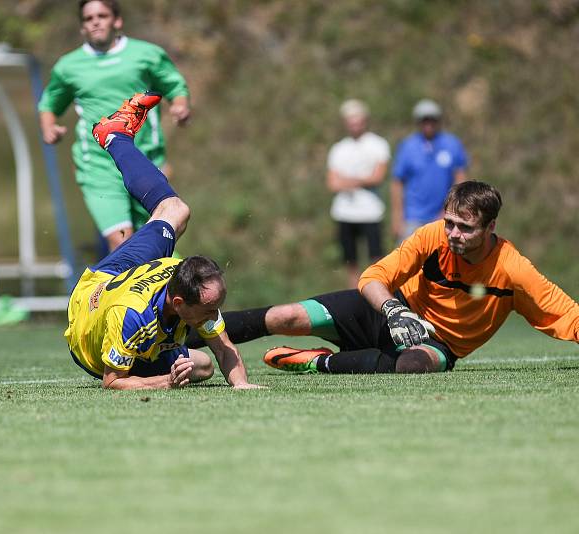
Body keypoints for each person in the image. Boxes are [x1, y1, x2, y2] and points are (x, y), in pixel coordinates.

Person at [186, 181, 579, 374]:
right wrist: (393, 309)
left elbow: (566, 315)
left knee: (410, 366)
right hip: (386, 312)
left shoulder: (513, 269)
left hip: (438, 344)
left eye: (465, 228)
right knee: (283, 316)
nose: (453, 234)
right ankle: (175, 338)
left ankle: (317, 364)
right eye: (450, 223)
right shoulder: (431, 237)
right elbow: (374, 277)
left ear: (490, 226)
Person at [65, 91, 259, 390]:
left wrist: (242, 384)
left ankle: (115, 135)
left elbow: (223, 348)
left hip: (127, 280)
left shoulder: (187, 282)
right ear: (179, 303)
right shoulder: (132, 316)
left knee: (204, 364)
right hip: (93, 307)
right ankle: (114, 136)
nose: (214, 316)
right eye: (209, 310)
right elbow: (112, 383)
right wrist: (165, 382)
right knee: (191, 365)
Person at [39, 0, 191, 253]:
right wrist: (48, 127)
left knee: (163, 238)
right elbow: (49, 103)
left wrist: (180, 105)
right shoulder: (69, 66)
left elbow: (174, 85)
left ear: (117, 20)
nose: (95, 21)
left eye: (102, 15)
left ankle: (166, 290)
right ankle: (121, 293)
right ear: (82, 27)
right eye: (88, 18)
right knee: (122, 241)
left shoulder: (146, 55)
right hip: (98, 166)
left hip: (144, 161)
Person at [326, 99, 391, 288]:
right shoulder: (339, 148)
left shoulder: (377, 144)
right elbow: (332, 182)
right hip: (345, 212)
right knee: (350, 260)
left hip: (370, 211)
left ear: (365, 120)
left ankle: (378, 293)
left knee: (376, 258)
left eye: (358, 120)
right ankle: (353, 296)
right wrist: (361, 180)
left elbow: (378, 176)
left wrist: (347, 181)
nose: (354, 124)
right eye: (350, 120)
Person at [391, 99, 468, 242]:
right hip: (413, 218)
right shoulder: (408, 146)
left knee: (443, 261)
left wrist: (452, 208)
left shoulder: (451, 144)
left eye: (432, 119)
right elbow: (397, 183)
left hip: (444, 217)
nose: (428, 124)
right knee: (408, 261)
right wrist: (397, 217)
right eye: (424, 120)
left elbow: (460, 179)